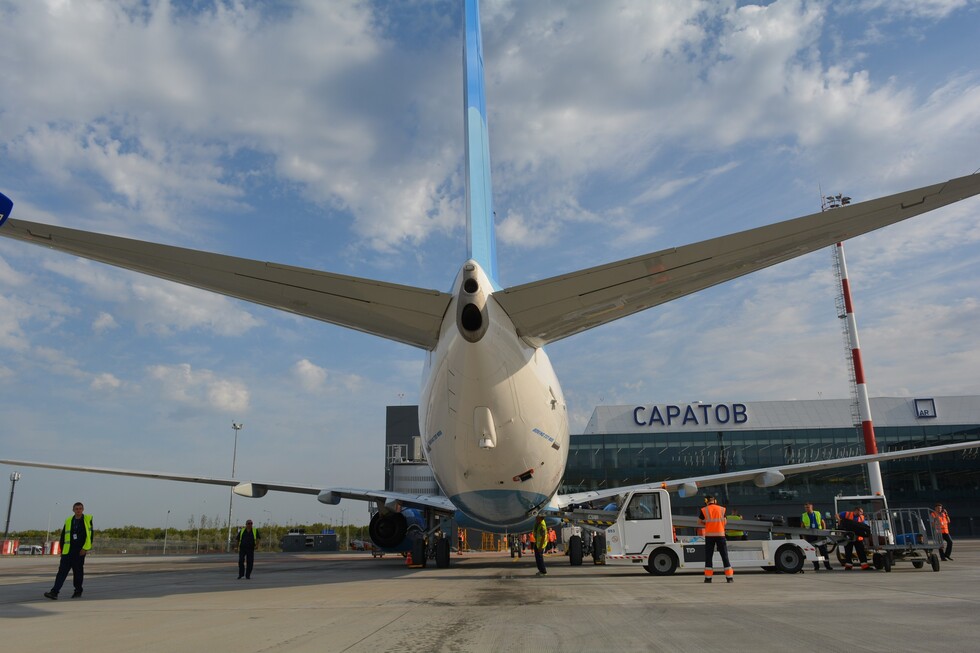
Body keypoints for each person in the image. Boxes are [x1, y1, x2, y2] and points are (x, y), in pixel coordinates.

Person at [44, 502, 93, 600]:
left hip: (79, 552)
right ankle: (54, 592)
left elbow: (90, 536)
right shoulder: (69, 520)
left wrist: (85, 548)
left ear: (83, 509)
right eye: (76, 509)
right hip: (68, 552)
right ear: (73, 510)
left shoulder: (87, 519)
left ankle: (78, 590)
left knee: (78, 573)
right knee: (61, 572)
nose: (78, 510)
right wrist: (62, 550)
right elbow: (63, 536)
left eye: (80, 508)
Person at [699, 495, 733, 583]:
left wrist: (708, 524)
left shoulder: (704, 510)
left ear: (706, 501)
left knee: (709, 557)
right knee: (724, 556)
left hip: (709, 536)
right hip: (720, 535)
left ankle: (708, 578)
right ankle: (729, 578)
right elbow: (725, 521)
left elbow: (699, 522)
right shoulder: (722, 509)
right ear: (715, 501)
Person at [802, 502, 833, 571]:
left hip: (819, 534)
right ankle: (816, 566)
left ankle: (827, 566)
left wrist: (824, 532)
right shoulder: (804, 515)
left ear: (811, 507)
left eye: (808, 507)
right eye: (806, 508)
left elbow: (822, 522)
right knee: (812, 551)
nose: (807, 509)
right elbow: (802, 526)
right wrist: (804, 536)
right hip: (810, 535)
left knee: (824, 551)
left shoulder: (817, 513)